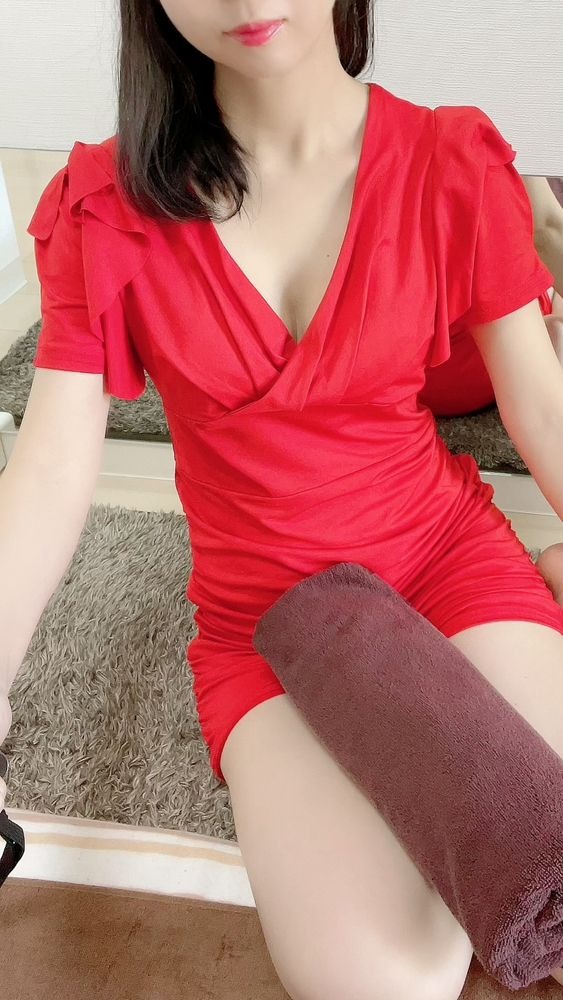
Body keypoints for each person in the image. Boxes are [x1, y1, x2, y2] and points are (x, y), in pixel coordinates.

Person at [1, 2, 563, 996]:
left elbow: (542, 412)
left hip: (444, 562)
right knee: (384, 983)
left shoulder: (450, 159)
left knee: (532, 870)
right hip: (267, 619)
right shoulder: (101, 206)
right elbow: (46, 469)